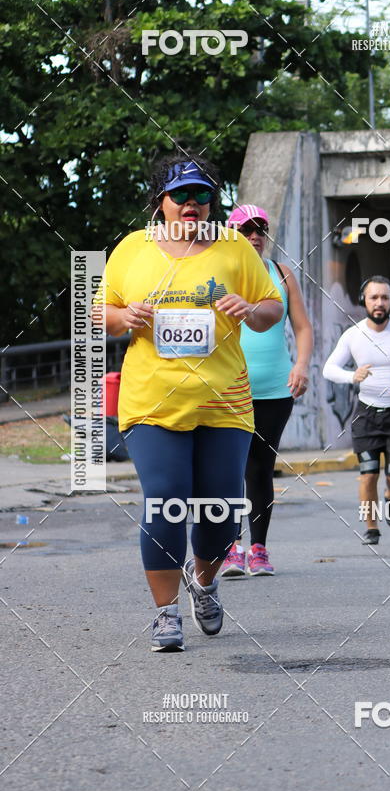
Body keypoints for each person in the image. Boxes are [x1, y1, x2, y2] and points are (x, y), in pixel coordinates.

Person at [99, 156, 283, 651]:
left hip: (224, 401)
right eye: (180, 195)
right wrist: (125, 317)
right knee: (167, 497)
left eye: (202, 196)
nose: (192, 205)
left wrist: (250, 309)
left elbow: (272, 307)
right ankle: (165, 613)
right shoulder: (133, 248)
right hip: (152, 400)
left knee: (221, 508)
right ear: (160, 201)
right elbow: (101, 313)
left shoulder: (233, 247)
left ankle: (204, 581)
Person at [220, 205, 313, 576]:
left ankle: (257, 549)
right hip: (226, 388)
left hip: (275, 388)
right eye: (246, 229)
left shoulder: (282, 273)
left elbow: (303, 328)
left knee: (260, 470)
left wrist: (302, 365)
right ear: (231, 233)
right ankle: (228, 549)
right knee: (225, 470)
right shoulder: (217, 272)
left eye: (260, 228)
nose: (255, 235)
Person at [323, 276, 390, 545]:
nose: (379, 303)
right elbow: (329, 369)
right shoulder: (354, 334)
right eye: (373, 297)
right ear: (364, 301)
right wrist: (352, 376)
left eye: (384, 297)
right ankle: (372, 527)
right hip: (366, 413)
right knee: (368, 472)